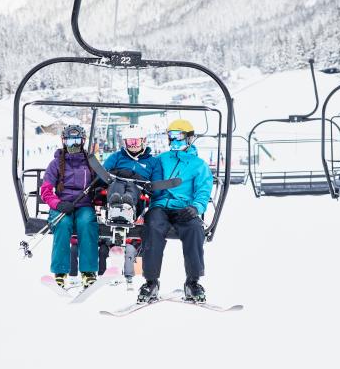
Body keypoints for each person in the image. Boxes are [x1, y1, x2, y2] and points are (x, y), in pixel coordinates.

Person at [138, 119, 213, 303]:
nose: (174, 140)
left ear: (190, 138)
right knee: (153, 227)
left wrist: (196, 208)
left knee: (194, 229)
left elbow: (203, 192)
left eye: (178, 136)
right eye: (171, 136)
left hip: (184, 209)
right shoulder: (161, 159)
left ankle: (193, 281)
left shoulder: (199, 165)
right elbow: (146, 175)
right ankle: (151, 281)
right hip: (160, 206)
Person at [39, 124, 99, 289]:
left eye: (77, 140)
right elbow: (45, 190)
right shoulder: (56, 164)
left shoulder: (91, 162)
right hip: (62, 205)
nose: (73, 144)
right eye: (69, 140)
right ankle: (60, 272)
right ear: (63, 141)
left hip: (84, 204)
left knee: (86, 223)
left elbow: (102, 182)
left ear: (83, 141)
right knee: (63, 224)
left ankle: (88, 272)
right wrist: (58, 204)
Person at [98, 124, 160, 284]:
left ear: (143, 141)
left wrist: (152, 188)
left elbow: (156, 181)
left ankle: (126, 206)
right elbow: (103, 174)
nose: (132, 145)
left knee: (132, 188)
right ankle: (116, 205)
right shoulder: (117, 157)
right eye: (129, 142)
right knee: (117, 185)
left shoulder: (152, 162)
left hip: (138, 192)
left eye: (136, 141)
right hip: (116, 185)